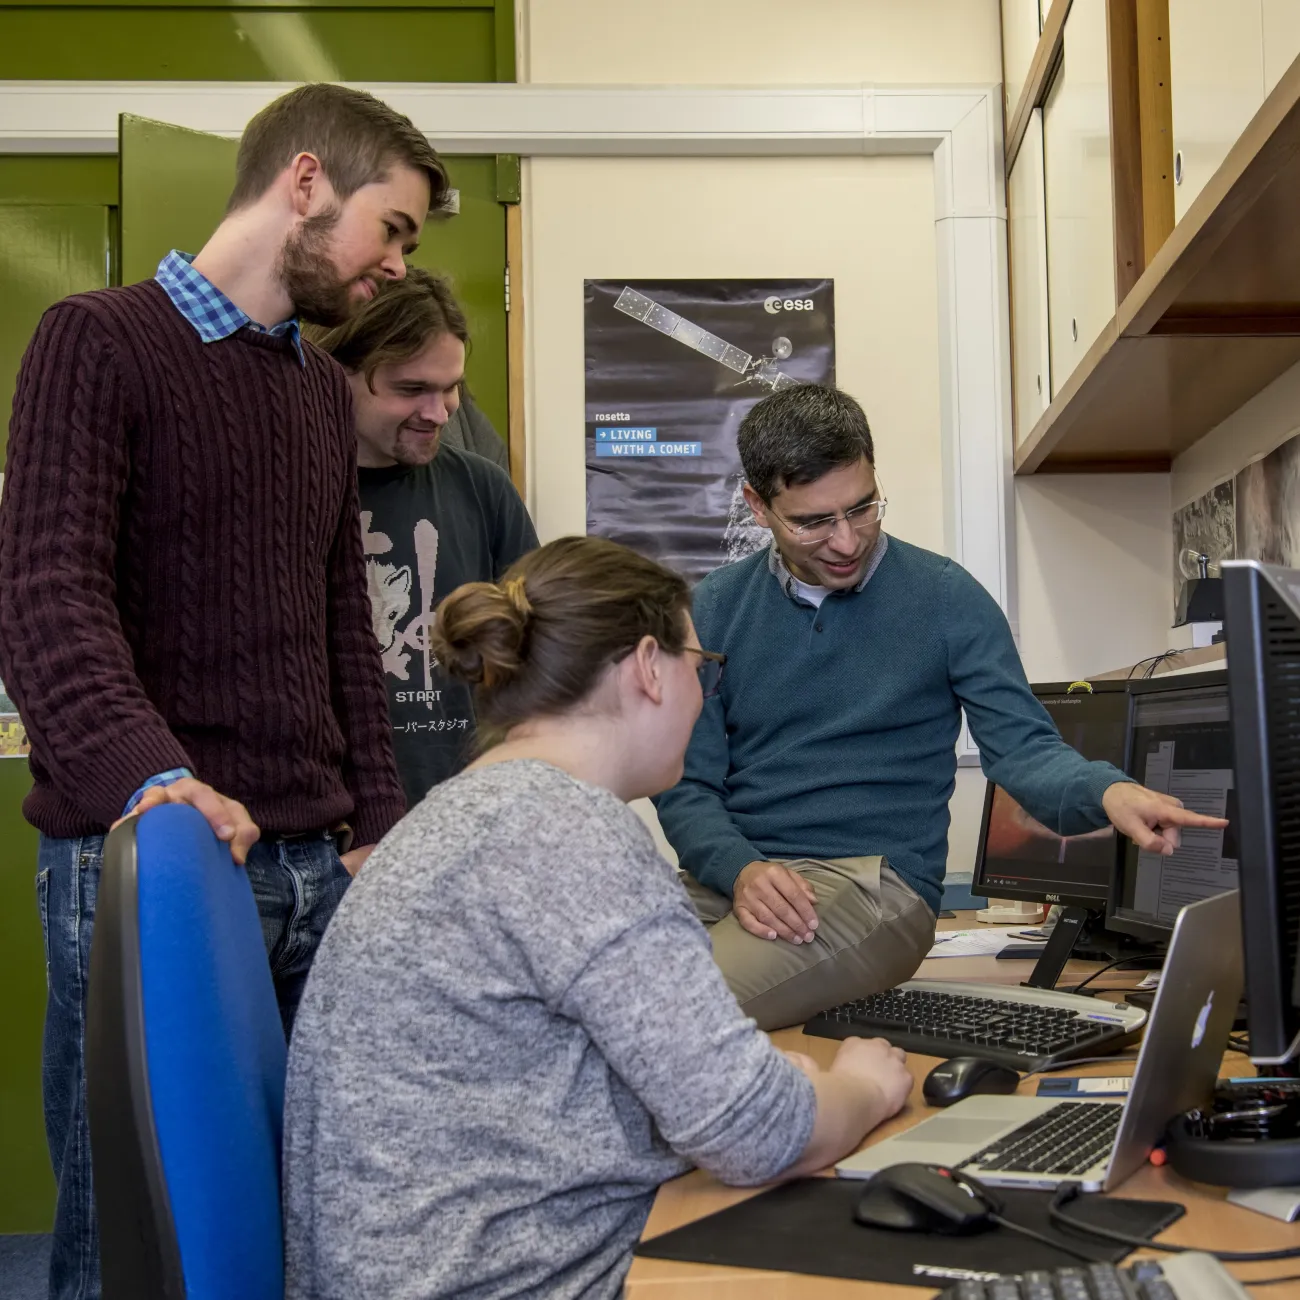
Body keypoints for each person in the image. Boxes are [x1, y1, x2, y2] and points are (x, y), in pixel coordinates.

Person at [0, 83, 447, 1300]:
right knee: (137, 1247)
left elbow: (343, 626)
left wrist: (380, 817)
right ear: (305, 183)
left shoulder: (318, 391)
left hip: (317, 870)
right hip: (160, 865)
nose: (396, 266)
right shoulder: (98, 341)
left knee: (309, 1232)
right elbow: (45, 593)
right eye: (392, 228)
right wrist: (157, 781)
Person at [281, 536, 915, 1300]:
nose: (700, 695)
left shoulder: (463, 814)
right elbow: (758, 1131)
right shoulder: (566, 833)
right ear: (649, 666)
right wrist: (863, 1086)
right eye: (700, 665)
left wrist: (771, 1087)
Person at [653, 384, 1228, 1032]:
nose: (846, 541)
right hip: (729, 878)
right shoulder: (714, 608)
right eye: (813, 522)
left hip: (870, 886)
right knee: (589, 997)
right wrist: (740, 870)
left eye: (862, 508)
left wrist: (1108, 791)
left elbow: (1023, 750)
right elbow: (686, 784)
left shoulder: (947, 599)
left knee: (675, 1018)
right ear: (758, 506)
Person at [308, 268, 538, 805]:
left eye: (450, 387)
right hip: (323, 824)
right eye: (411, 389)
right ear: (334, 374)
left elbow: (539, 658)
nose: (438, 413)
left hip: (462, 811)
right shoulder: (284, 491)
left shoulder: (482, 488)